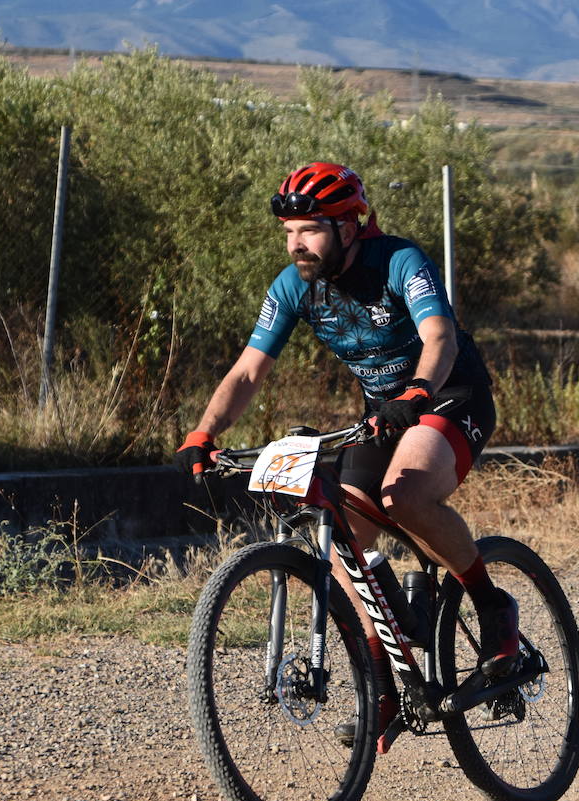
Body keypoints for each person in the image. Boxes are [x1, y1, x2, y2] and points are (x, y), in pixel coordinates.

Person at [173, 162, 518, 740]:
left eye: (308, 230)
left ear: (349, 226)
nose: (295, 244)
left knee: (403, 494)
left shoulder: (399, 262)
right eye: (287, 233)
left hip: (448, 394)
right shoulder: (294, 287)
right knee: (342, 540)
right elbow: (249, 371)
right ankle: (388, 685)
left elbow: (440, 337)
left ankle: (491, 605)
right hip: (384, 412)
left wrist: (418, 390)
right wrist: (202, 432)